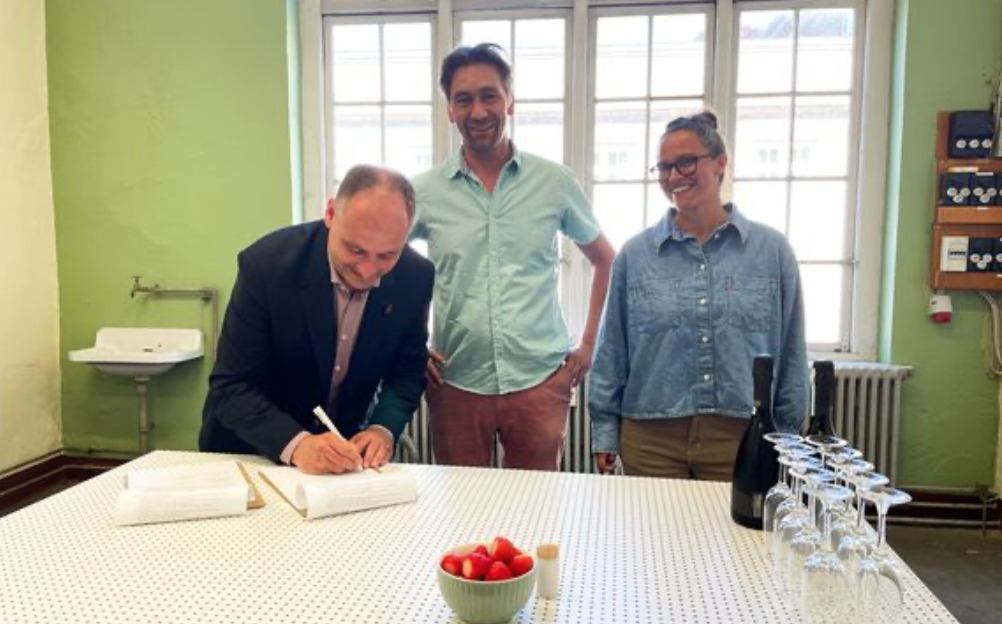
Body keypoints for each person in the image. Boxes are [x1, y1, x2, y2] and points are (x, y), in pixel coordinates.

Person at [411, 43, 615, 471]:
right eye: (463, 99)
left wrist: (588, 346)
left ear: (510, 101)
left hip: (539, 381)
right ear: (449, 110)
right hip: (456, 384)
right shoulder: (424, 192)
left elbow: (604, 258)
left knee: (537, 504)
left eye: (489, 96)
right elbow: (383, 265)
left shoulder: (553, 182)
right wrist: (410, 344)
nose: (478, 111)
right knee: (463, 508)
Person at [588, 110, 809, 481]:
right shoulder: (635, 255)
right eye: (664, 167)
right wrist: (605, 431)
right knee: (649, 523)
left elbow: (792, 353)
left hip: (744, 437)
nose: (674, 176)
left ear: (720, 163)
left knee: (735, 523)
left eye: (686, 162)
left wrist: (788, 437)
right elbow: (611, 351)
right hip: (650, 438)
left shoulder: (771, 252)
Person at [200, 165, 434, 474]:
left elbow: (407, 372)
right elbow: (232, 386)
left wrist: (382, 429)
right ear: (331, 213)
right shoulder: (267, 265)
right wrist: (297, 444)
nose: (367, 272)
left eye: (387, 255)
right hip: (250, 451)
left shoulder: (416, 276)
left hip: (340, 461)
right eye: (355, 249)